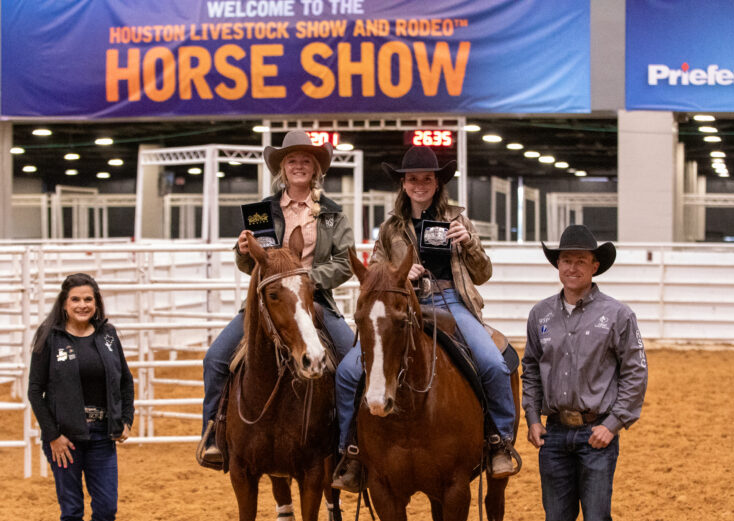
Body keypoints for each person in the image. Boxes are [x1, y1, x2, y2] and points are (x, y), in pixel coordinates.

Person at [332, 145, 520, 492]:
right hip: (403, 305)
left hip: (452, 300)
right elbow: (374, 271)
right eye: (413, 179)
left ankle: (499, 442)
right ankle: (351, 451)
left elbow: (483, 274)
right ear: (403, 184)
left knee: (493, 363)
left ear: (437, 184)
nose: (420, 185)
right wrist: (399, 273)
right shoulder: (391, 228)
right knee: (346, 373)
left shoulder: (458, 220)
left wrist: (470, 244)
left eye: (427, 179)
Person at [521, 224, 648, 521]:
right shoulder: (540, 315)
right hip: (554, 433)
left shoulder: (618, 315)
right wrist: (532, 418)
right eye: (565, 259)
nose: (572, 266)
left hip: (597, 435)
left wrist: (611, 424)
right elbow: (530, 369)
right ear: (557, 265)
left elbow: (635, 373)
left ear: (595, 267)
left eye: (580, 260)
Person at [196, 130, 355, 468]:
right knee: (215, 359)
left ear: (315, 170)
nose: (299, 166)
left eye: (306, 161)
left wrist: (303, 281)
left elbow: (344, 263)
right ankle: (213, 434)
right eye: (292, 161)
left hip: (318, 301)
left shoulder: (331, 213)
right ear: (283, 169)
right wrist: (241, 250)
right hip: (267, 303)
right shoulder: (261, 211)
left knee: (353, 363)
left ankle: (350, 442)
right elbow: (249, 263)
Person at [28, 273, 134, 521]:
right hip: (65, 440)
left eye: (88, 299)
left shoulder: (108, 336)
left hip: (103, 435)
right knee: (72, 509)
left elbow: (126, 381)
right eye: (76, 299)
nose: (83, 305)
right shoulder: (49, 337)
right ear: (64, 303)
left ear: (96, 302)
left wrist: (126, 419)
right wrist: (53, 435)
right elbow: (35, 391)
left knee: (106, 509)